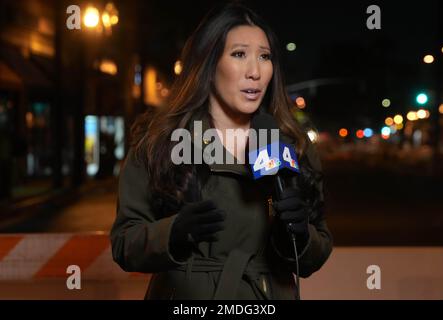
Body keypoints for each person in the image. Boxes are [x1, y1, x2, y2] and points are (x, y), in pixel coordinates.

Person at [110, 3, 332, 300]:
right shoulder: (161, 143)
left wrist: (298, 236)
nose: (255, 72)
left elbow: (318, 249)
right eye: (239, 54)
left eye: (265, 57)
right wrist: (173, 234)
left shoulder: (293, 145)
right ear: (208, 63)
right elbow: (125, 243)